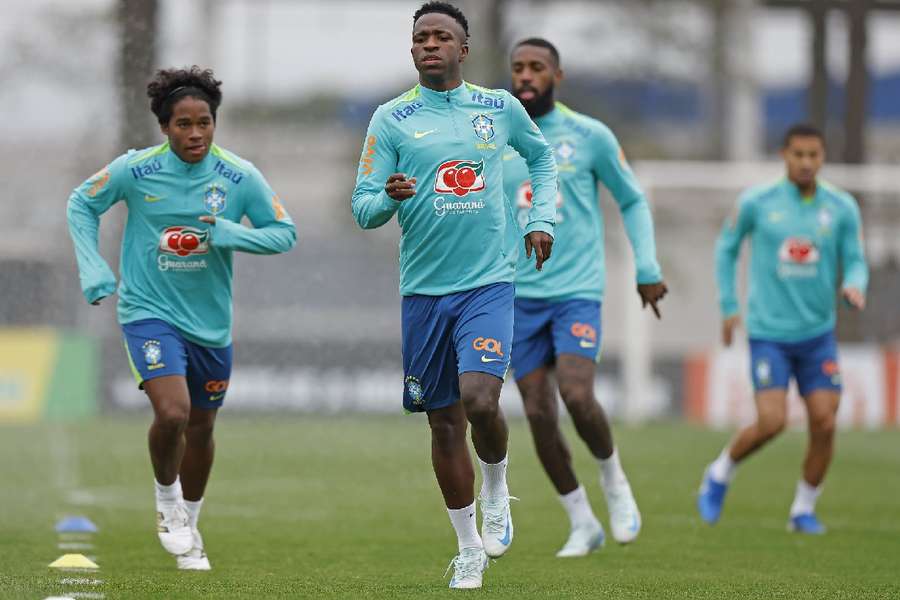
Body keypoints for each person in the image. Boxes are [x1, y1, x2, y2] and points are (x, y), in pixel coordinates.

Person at [351, 2, 557, 589]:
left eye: (442, 36)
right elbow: (363, 209)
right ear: (412, 49)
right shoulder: (391, 120)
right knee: (443, 424)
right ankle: (468, 547)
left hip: (489, 282)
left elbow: (540, 160)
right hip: (423, 293)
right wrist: (390, 195)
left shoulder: (498, 108)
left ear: (463, 50)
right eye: (421, 37)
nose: (430, 44)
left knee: (481, 400)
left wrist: (540, 219)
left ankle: (498, 486)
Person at [67, 66, 297, 569]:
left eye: (204, 123)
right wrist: (92, 266)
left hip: (211, 325)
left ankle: (190, 527)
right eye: (183, 125)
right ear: (164, 127)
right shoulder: (135, 170)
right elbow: (81, 203)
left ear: (215, 122)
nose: (195, 134)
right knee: (173, 413)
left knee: (202, 426)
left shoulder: (239, 176)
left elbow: (284, 232)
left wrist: (236, 236)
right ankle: (167, 503)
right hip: (148, 312)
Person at [502, 38, 667, 557]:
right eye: (518, 68)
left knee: (576, 395)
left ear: (558, 75)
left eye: (537, 67)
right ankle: (581, 519)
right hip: (515, 296)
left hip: (575, 292)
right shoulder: (496, 137)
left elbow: (633, 199)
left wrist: (647, 266)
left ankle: (614, 482)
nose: (526, 76)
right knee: (538, 414)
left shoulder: (588, 135)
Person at [697, 123, 867, 534]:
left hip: (818, 334)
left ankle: (802, 510)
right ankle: (720, 472)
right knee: (771, 422)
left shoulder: (842, 207)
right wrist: (728, 306)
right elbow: (726, 250)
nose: (806, 163)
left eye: (814, 155)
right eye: (799, 155)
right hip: (769, 333)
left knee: (825, 421)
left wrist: (854, 285)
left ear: (823, 157)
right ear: (784, 156)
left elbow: (856, 259)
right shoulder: (758, 202)